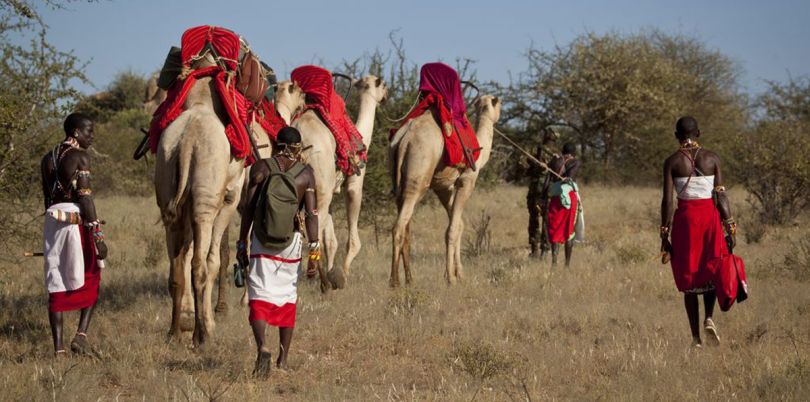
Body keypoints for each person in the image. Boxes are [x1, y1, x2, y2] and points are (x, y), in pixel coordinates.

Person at [237, 127, 320, 376]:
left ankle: (263, 346)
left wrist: (242, 242)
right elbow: (312, 215)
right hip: (290, 244)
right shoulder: (306, 174)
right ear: (297, 147)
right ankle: (283, 361)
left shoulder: (260, 168)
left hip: (262, 242)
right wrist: (314, 254)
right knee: (286, 297)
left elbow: (249, 209)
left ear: (277, 143)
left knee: (259, 295)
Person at [660, 116, 736, 347]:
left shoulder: (672, 161)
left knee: (689, 275)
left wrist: (664, 234)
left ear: (676, 135)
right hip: (710, 219)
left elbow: (667, 200)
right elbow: (720, 195)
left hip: (685, 222)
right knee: (711, 267)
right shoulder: (712, 158)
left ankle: (695, 338)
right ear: (698, 133)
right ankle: (709, 318)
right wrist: (730, 226)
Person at [39, 112, 108, 357]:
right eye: (89, 131)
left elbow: (48, 199)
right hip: (75, 222)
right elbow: (85, 198)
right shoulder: (80, 157)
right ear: (76, 132)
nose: (92, 136)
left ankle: (58, 350)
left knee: (55, 279)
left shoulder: (47, 158)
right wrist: (97, 234)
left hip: (52, 221)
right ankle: (80, 335)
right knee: (93, 273)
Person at [543, 142, 581, 267]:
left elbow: (547, 181)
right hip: (569, 198)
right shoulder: (575, 162)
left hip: (555, 198)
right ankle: (567, 265)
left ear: (562, 151)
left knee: (555, 228)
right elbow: (570, 177)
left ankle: (554, 263)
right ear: (573, 152)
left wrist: (544, 198)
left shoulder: (554, 162)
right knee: (569, 230)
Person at [526, 129, 559, 259]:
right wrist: (535, 163)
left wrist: (546, 166)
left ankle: (543, 249)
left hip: (547, 191)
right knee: (537, 220)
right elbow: (526, 166)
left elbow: (559, 172)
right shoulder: (537, 152)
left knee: (544, 220)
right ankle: (536, 249)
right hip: (538, 191)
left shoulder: (556, 155)